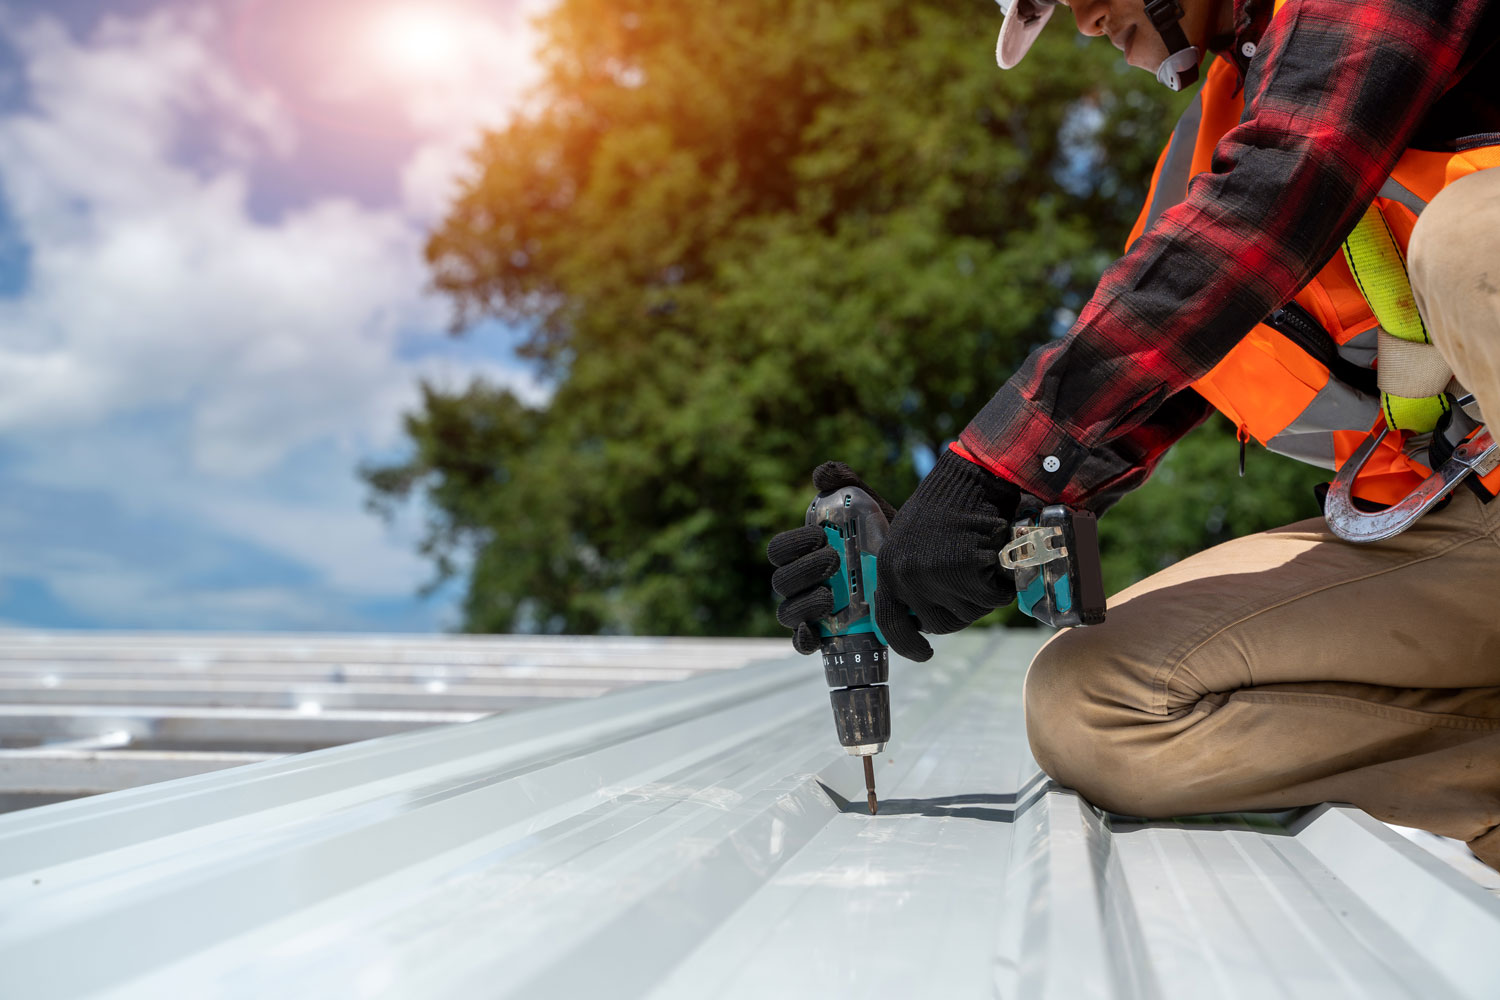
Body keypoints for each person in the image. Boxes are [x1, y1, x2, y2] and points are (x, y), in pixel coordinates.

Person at [768, 0, 1500, 867]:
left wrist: (993, 467)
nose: (1082, 19)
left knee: (1472, 243)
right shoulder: (1215, 142)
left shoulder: (1275, 142)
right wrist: (948, 527)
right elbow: (1150, 360)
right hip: (1461, 519)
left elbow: (1283, 187)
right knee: (1094, 703)